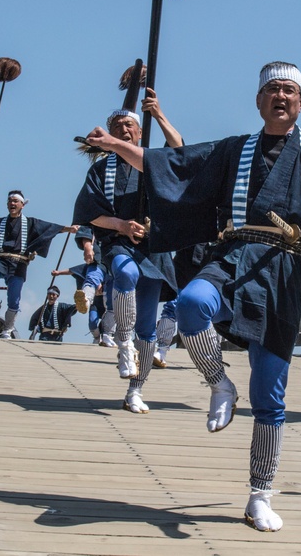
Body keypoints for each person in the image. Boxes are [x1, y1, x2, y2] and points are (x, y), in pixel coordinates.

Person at [83, 61, 301, 532]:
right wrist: (117, 144)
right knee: (189, 304)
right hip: (232, 252)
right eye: (272, 90)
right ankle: (218, 381)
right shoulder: (234, 150)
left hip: (283, 271)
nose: (281, 97)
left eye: (289, 91)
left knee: (269, 394)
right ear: (259, 101)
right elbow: (171, 165)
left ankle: (260, 494)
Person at [73, 89, 184, 414]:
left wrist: (159, 113)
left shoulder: (154, 162)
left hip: (156, 248)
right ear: (109, 133)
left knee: (148, 330)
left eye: (129, 125)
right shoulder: (101, 171)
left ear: (139, 130)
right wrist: (120, 226)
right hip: (120, 244)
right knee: (124, 272)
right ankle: (123, 342)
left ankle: (136, 389)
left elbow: (179, 151)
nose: (124, 129)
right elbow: (87, 210)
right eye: (117, 126)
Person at [0, 191, 76, 339]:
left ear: (22, 204)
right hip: (1, 260)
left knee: (14, 299)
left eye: (16, 201)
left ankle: (7, 330)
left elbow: (50, 228)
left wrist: (69, 229)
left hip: (19, 263)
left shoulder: (30, 223)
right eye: (10, 201)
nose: (12, 203)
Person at [52, 226, 116, 346]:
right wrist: (88, 246)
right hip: (96, 299)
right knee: (92, 277)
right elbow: (72, 270)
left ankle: (108, 334)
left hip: (113, 267)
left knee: (113, 302)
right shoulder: (96, 227)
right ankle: (85, 299)